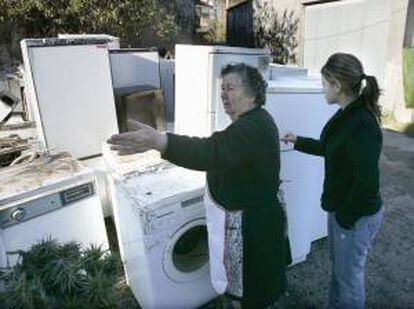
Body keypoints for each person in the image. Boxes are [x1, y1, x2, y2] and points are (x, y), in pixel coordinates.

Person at [108, 63, 292, 308]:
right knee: (251, 293)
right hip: (256, 220)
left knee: (253, 296)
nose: (223, 94)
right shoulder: (253, 122)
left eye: (230, 88)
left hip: (255, 229)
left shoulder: (252, 126)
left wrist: (159, 141)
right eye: (221, 89)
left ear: (251, 92)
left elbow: (210, 151)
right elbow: (221, 151)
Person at [282, 53, 383, 309]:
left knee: (349, 280)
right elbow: (330, 148)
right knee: (340, 272)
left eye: (325, 83)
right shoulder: (347, 113)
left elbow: (367, 187)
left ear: (337, 85)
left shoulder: (362, 124)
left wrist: (345, 217)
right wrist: (298, 140)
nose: (322, 89)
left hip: (355, 214)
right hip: (342, 209)